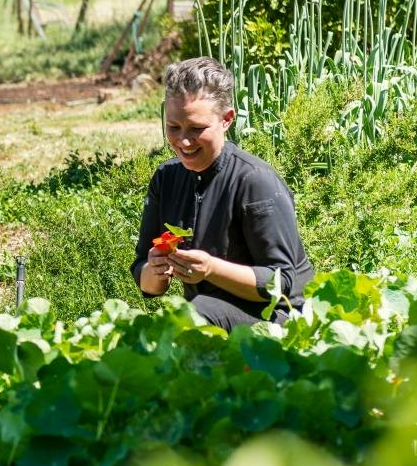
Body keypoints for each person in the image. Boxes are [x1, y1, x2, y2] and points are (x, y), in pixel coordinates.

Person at [133, 57, 313, 327]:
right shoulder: (165, 178)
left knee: (193, 314)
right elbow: (147, 282)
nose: (183, 140)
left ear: (227, 119)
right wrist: (156, 270)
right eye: (173, 127)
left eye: (196, 129)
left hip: (280, 316)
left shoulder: (255, 180)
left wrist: (211, 269)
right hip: (206, 313)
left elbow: (281, 282)